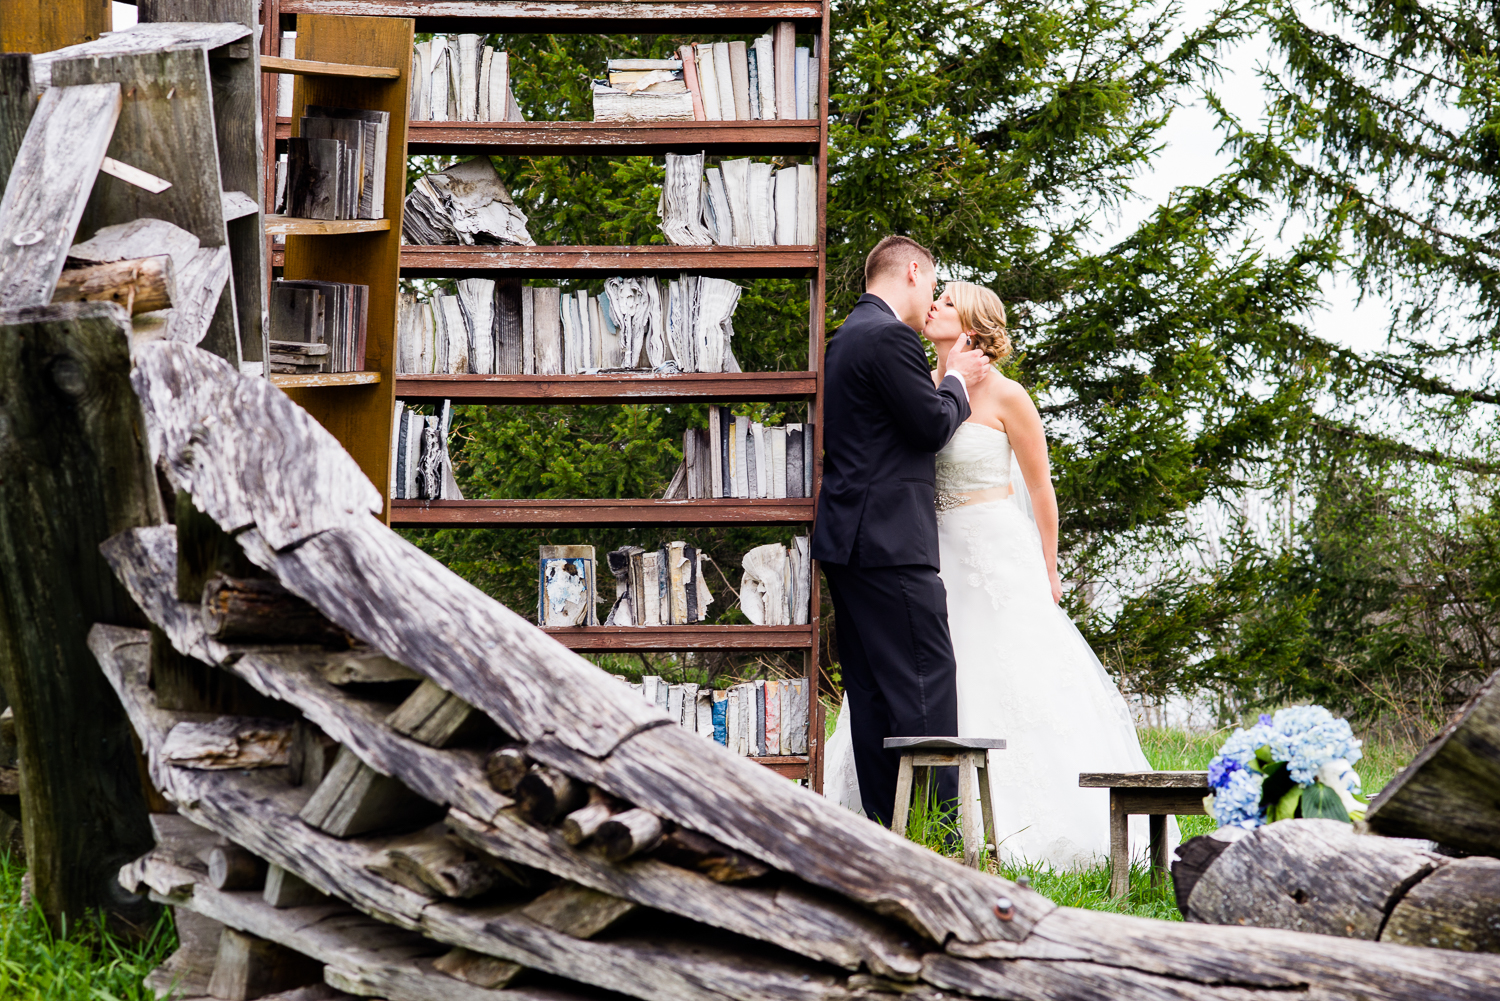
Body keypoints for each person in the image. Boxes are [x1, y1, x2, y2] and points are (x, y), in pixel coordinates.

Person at [823, 280, 1174, 869]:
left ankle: (1023, 824)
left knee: (1008, 672)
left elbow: (1040, 491)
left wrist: (1049, 570)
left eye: (947, 301)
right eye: (933, 296)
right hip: (931, 550)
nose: (932, 304)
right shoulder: (921, 385)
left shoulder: (1009, 396)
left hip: (993, 551)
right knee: (926, 679)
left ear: (974, 324)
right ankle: (919, 818)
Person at [811, 236, 994, 825]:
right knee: (925, 680)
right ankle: (936, 831)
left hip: (849, 543)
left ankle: (886, 824)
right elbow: (930, 425)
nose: (932, 298)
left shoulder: (844, 338)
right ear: (913, 271)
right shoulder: (889, 337)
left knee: (869, 694)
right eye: (933, 281)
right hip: (890, 543)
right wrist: (958, 381)